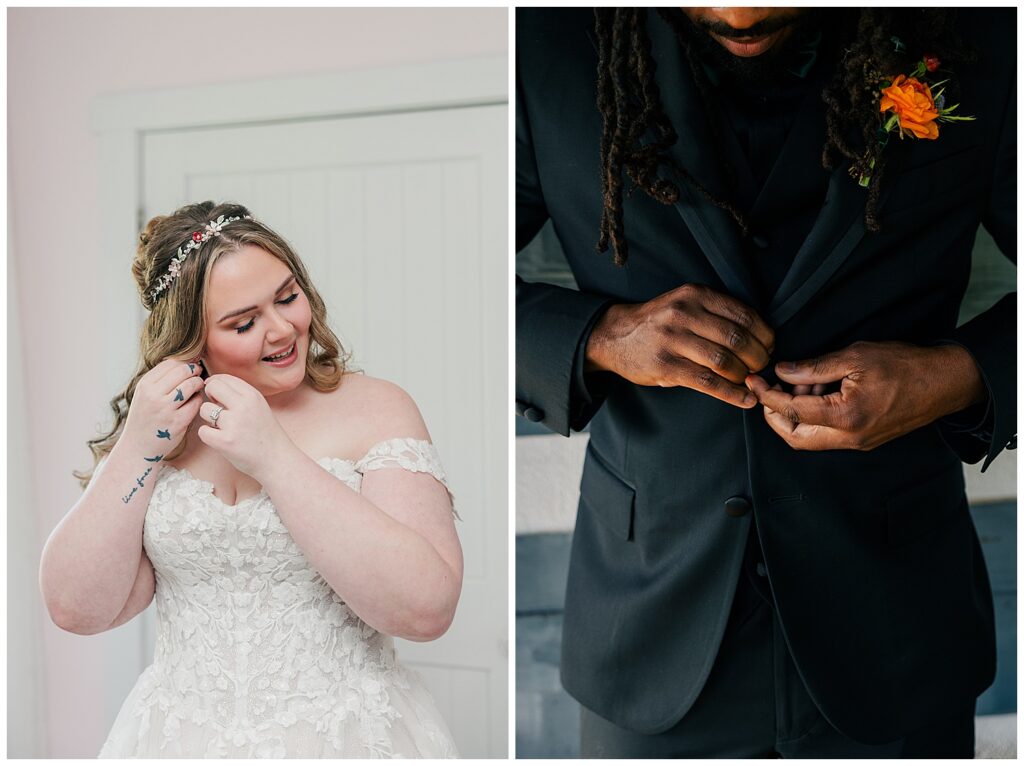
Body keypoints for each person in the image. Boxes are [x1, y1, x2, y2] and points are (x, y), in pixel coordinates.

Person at [516, 7, 1015, 758]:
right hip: (650, 630)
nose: (739, 13)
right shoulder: (538, 41)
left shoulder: (981, 32)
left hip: (898, 630)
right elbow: (438, 279)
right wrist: (603, 338)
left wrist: (955, 376)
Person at [39, 201, 462, 758]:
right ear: (191, 337)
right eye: (244, 322)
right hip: (179, 739)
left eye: (287, 297)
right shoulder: (163, 429)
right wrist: (137, 447)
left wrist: (274, 457)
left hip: (344, 738)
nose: (284, 328)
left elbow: (426, 609)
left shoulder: (377, 408)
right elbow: (77, 608)